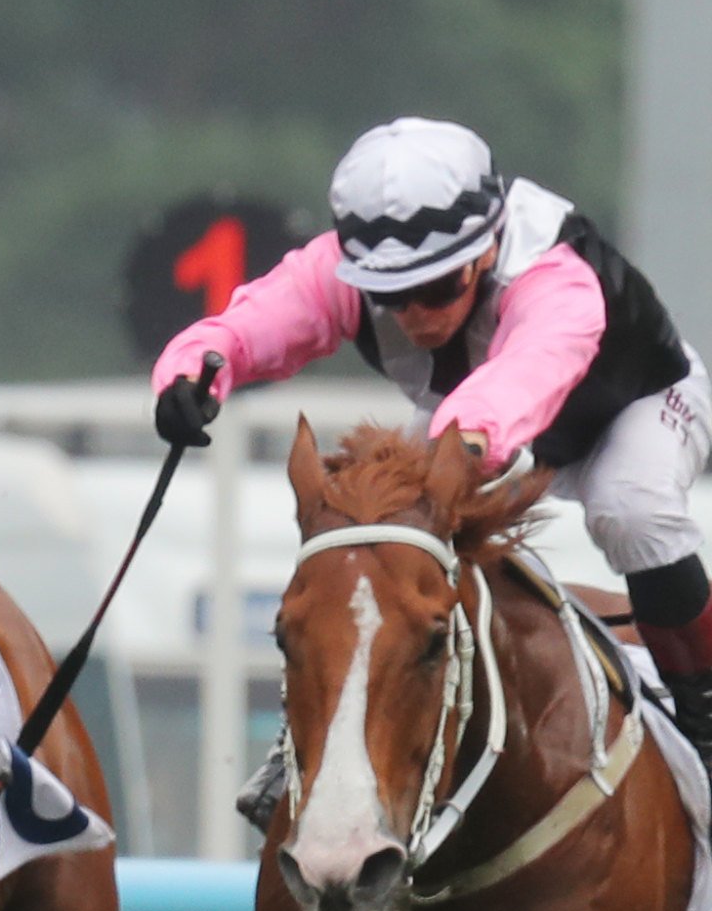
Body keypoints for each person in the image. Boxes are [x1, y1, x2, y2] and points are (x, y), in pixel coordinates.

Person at [151, 116, 712, 762]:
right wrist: (192, 372)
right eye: (393, 294)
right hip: (477, 425)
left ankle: (703, 711)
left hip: (633, 407)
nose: (417, 314)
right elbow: (254, 323)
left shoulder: (555, 275)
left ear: (487, 247)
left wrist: (460, 444)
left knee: (629, 507)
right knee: (379, 526)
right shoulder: (339, 268)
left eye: (439, 285)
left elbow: (526, 373)